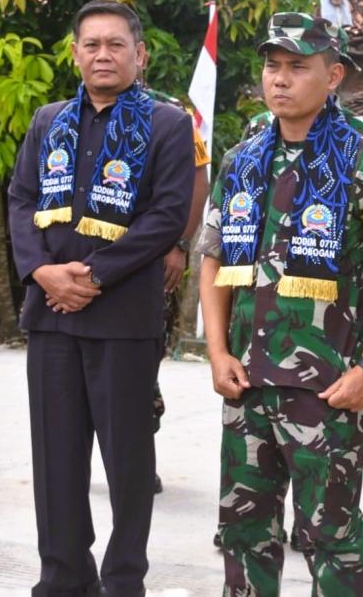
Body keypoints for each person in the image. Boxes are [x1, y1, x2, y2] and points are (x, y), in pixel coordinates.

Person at [197, 12, 363, 596]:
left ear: (334, 75)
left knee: (332, 541)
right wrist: (217, 352)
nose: (281, 79)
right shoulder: (241, 160)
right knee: (242, 533)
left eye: (299, 66)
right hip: (245, 384)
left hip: (326, 386)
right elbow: (213, 258)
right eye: (273, 65)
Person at [7, 0, 195, 596]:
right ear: (75, 54)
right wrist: (42, 272)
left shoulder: (167, 124)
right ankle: (63, 577)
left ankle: (122, 581)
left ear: (139, 55)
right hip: (51, 317)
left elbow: (167, 215)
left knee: (128, 462)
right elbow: (20, 199)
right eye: (91, 44)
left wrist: (89, 276)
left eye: (116, 44)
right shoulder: (47, 120)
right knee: (56, 460)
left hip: (123, 317)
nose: (103, 54)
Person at [142, 85, 211, 494]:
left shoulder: (171, 112)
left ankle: (138, 459)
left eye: (119, 44)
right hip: (94, 254)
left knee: (142, 363)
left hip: (151, 257)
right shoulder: (82, 108)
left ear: (140, 53)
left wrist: (179, 244)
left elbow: (197, 183)